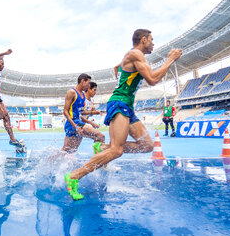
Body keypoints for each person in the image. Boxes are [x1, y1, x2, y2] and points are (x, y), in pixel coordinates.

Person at [65, 29, 183, 200]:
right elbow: (152, 79)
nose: (153, 43)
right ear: (143, 40)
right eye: (151, 40)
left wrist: (123, 82)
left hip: (127, 105)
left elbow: (117, 68)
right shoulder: (135, 53)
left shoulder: (132, 57)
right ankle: (74, 176)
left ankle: (102, 148)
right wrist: (170, 59)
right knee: (117, 150)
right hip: (120, 104)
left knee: (147, 145)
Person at [60, 74, 105, 154]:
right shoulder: (72, 92)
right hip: (74, 123)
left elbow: (81, 112)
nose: (88, 86)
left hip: (77, 123)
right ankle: (99, 162)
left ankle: (49, 161)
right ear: (82, 81)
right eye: (88, 83)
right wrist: (76, 126)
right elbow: (65, 111)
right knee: (100, 136)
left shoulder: (82, 95)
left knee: (68, 151)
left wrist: (94, 112)